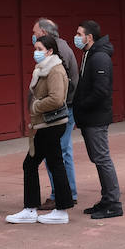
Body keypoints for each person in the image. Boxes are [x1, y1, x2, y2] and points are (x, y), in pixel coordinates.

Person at [6, 37, 74, 225]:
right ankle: (41, 209)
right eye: (35, 48)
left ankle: (53, 210)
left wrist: (36, 106)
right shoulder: (44, 69)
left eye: (39, 48)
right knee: (43, 163)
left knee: (44, 164)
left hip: (51, 124)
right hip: (45, 124)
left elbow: (57, 98)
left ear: (50, 51)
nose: (35, 52)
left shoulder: (54, 70)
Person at [72, 20, 121, 219]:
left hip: (96, 118)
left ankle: (114, 203)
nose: (76, 37)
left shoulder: (99, 57)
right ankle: (107, 199)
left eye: (79, 34)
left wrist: (82, 105)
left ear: (89, 37)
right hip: (89, 117)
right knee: (98, 158)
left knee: (102, 158)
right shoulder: (88, 54)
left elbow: (101, 91)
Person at [32, 18, 78, 211]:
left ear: (43, 33)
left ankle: (61, 194)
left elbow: (60, 87)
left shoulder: (59, 51)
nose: (33, 37)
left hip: (60, 110)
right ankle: (67, 192)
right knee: (61, 151)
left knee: (57, 152)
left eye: (35, 33)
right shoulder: (61, 47)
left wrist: (39, 105)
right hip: (63, 107)